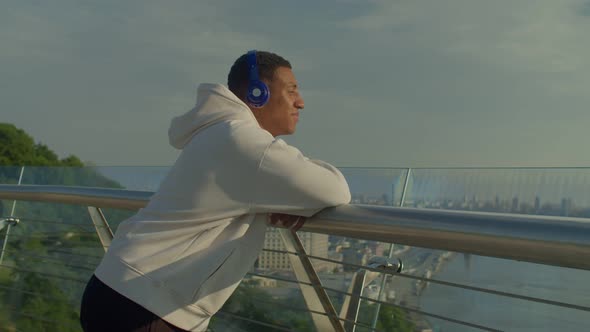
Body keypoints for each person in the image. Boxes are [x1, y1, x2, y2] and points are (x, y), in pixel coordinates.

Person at [79, 50, 351, 331]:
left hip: (127, 291)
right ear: (258, 93)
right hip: (144, 307)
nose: (301, 102)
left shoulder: (222, 134)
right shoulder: (242, 141)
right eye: (292, 90)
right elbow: (335, 189)